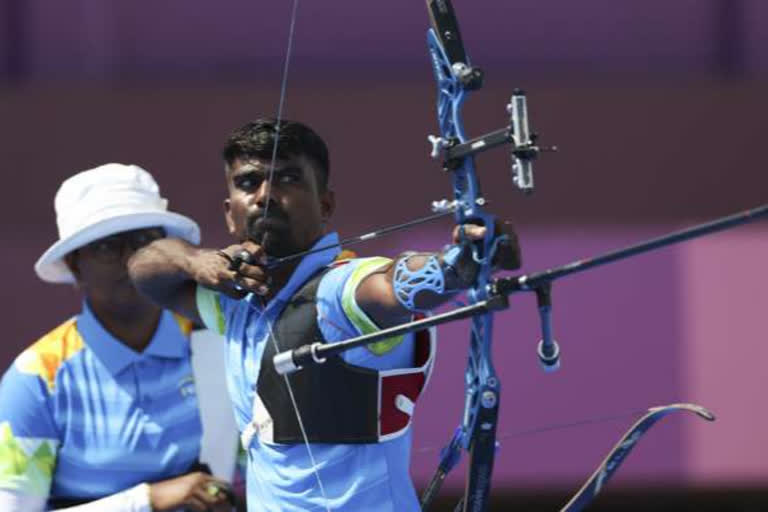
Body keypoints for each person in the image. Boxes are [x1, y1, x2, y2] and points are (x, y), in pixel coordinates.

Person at [127, 119, 520, 511]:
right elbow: (144, 269)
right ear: (230, 213)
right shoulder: (233, 302)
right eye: (249, 182)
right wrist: (197, 261)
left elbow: (393, 283)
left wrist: (459, 264)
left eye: (288, 179)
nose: (265, 195)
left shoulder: (342, 292)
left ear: (326, 204)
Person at [0, 163, 242, 511]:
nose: (132, 260)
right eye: (107, 246)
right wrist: (147, 501)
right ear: (75, 265)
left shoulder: (221, 346)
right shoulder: (37, 379)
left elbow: (261, 474)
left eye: (145, 241)